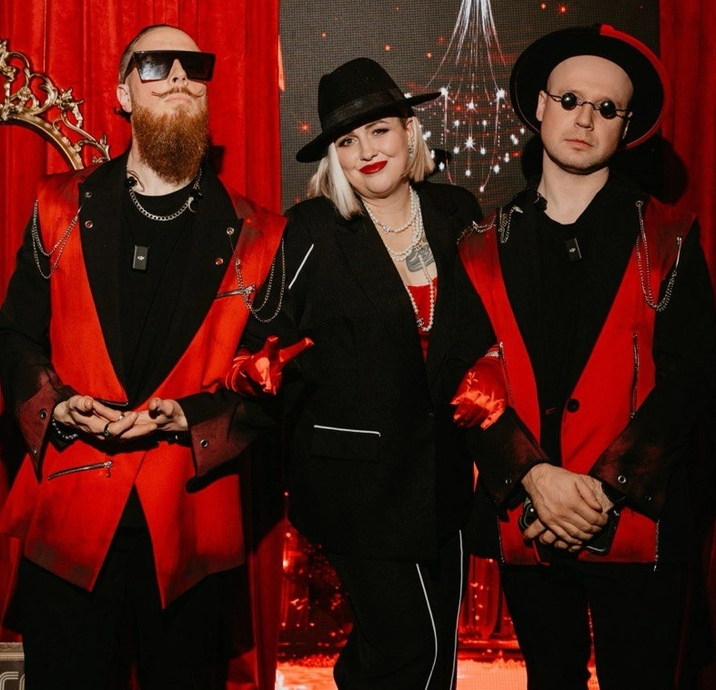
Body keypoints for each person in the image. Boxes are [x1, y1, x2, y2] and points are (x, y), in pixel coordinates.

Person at [224, 57, 546, 689]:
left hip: (444, 479)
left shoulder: (455, 212)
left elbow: (487, 324)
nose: (367, 151)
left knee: (431, 657)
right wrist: (259, 367)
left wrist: (491, 369)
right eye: (347, 141)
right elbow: (256, 340)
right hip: (357, 487)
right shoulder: (313, 228)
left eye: (378, 130)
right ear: (333, 159)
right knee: (411, 650)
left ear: (408, 131)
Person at [0, 23, 287, 688]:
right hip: (73, 512)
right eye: (155, 63)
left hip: (187, 522)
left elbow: (275, 379)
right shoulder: (58, 206)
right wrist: (57, 404)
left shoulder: (260, 234)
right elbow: (14, 336)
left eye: (194, 65)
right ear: (123, 94)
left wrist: (188, 416)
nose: (179, 75)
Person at [458, 25, 716, 688]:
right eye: (571, 99)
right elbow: (464, 377)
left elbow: (691, 381)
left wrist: (601, 491)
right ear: (539, 106)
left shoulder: (669, 238)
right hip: (530, 520)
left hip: (635, 523)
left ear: (625, 126)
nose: (584, 118)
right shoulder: (481, 245)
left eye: (606, 108)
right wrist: (534, 477)